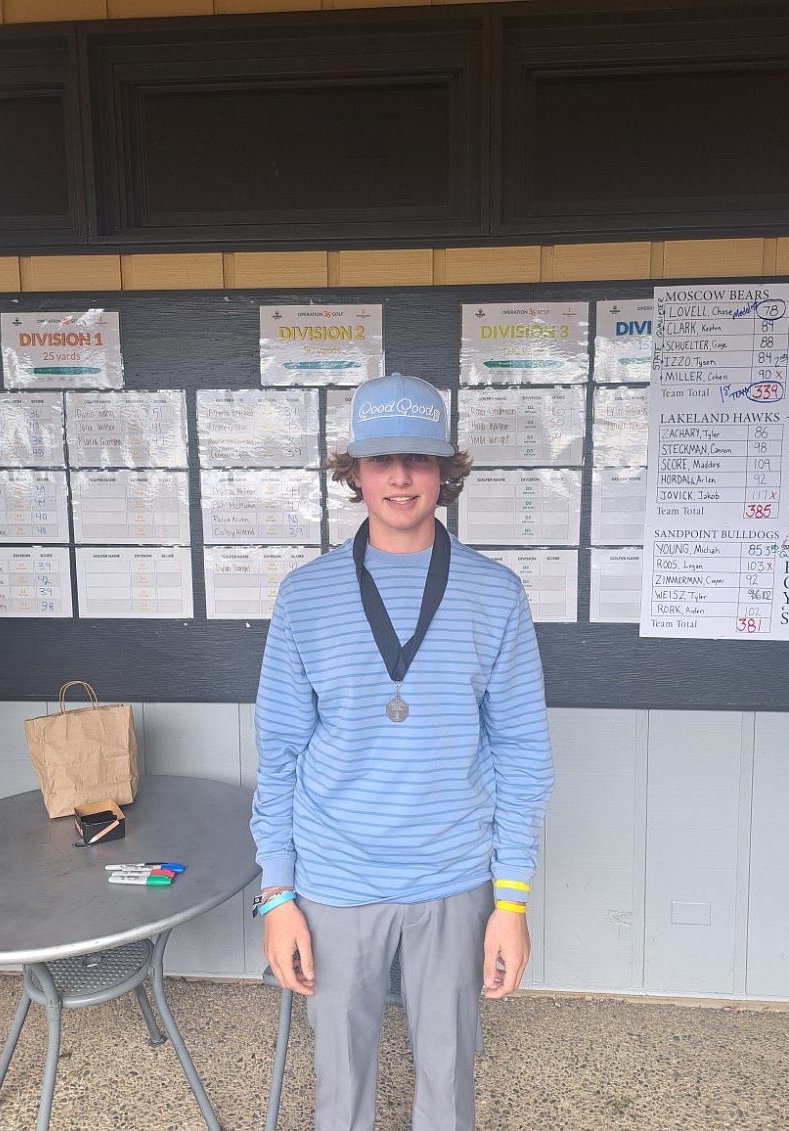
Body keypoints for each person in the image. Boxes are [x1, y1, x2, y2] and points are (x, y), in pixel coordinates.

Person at [251, 371, 553, 1131]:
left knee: (448, 1082)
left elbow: (522, 752)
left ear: (445, 473)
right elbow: (280, 752)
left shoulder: (495, 593)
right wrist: (278, 894)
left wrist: (510, 899)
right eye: (380, 459)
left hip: (454, 876)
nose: (399, 476)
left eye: (418, 459)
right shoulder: (304, 596)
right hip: (333, 877)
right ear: (352, 471)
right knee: (340, 1084)